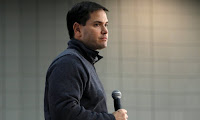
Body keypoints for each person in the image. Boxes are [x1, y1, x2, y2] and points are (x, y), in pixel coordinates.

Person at [44, 1, 128, 120]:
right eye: (97, 25)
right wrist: (111, 118)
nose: (105, 31)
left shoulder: (82, 62)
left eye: (106, 25)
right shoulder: (69, 62)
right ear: (77, 30)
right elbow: (65, 113)